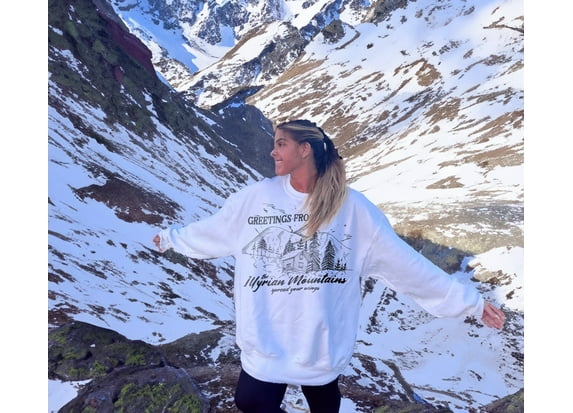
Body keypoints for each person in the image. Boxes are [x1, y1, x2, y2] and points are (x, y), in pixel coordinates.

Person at [153, 119, 506, 413]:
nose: (273, 152)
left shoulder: (352, 208)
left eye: (281, 144)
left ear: (305, 149)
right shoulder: (256, 198)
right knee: (250, 402)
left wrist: (470, 303)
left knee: (323, 404)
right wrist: (170, 238)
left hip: (319, 343)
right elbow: (215, 230)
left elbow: (405, 264)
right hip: (266, 338)